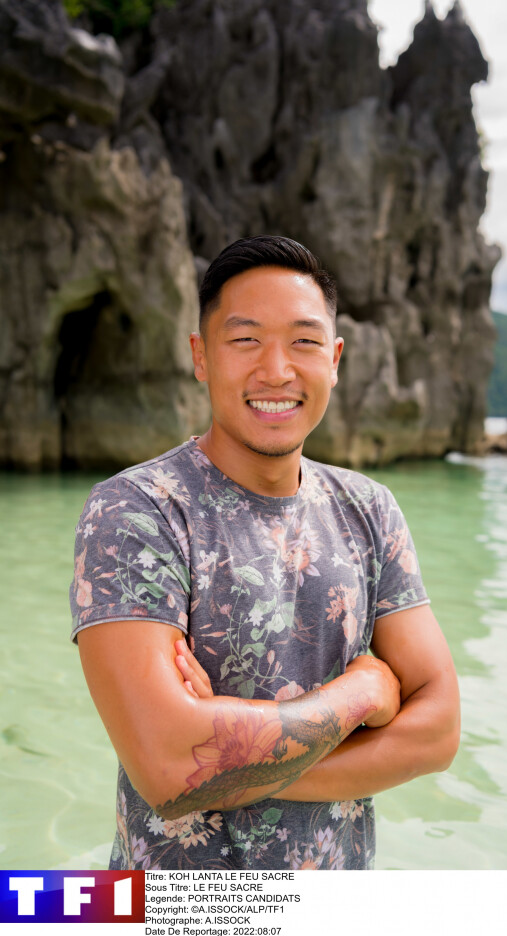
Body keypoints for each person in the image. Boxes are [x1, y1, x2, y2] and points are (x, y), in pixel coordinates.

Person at [71, 235, 460, 871]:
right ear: (201, 356)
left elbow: (439, 731)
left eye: (304, 342)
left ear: (334, 360)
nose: (276, 370)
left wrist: (224, 761)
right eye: (245, 339)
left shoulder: (369, 509)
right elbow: (167, 767)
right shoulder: (138, 510)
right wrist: (362, 695)